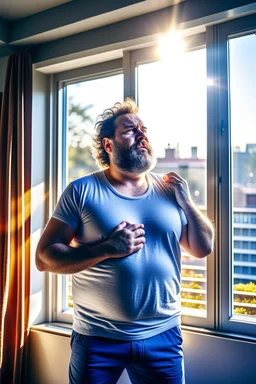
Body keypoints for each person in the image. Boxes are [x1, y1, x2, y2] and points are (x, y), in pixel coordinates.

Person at [36, 98, 214, 384]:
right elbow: (44, 258)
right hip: (97, 339)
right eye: (131, 130)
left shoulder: (168, 189)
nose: (142, 134)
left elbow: (202, 248)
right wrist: (108, 248)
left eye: (144, 129)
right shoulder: (82, 191)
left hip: (163, 336)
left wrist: (188, 202)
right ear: (108, 145)